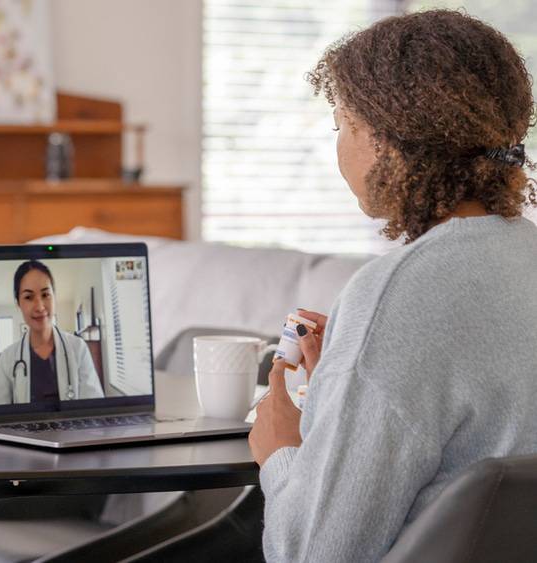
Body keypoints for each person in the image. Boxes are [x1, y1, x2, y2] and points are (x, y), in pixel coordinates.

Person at [248, 10, 537, 562]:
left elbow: (314, 553)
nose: (339, 147)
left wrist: (281, 449)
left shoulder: (394, 293)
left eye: (341, 126)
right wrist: (344, 382)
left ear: (380, 140)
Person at [0, 260, 104, 406]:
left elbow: (93, 409)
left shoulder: (78, 348)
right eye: (28, 297)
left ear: (54, 297)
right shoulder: (8, 358)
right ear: (18, 304)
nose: (39, 307)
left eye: (46, 295)